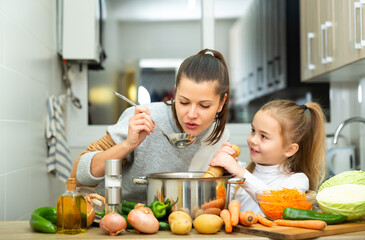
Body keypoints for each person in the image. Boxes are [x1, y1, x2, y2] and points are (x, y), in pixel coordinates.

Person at [71, 49, 231, 203]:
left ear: (221, 103)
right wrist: (128, 145)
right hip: (111, 215)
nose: (191, 114)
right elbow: (78, 174)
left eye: (204, 106)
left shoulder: (220, 136)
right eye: (183, 102)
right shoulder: (144, 117)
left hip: (170, 220)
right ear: (175, 93)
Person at [208, 99, 326, 214]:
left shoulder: (297, 180)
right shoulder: (239, 171)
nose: (253, 140)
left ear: (289, 149)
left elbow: (280, 209)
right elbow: (211, 205)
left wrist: (241, 174)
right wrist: (220, 173)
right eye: (253, 130)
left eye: (264, 136)